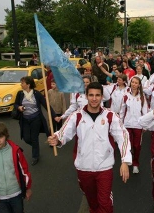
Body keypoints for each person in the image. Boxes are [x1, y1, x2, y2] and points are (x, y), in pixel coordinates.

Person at [47, 82, 132, 213]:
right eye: (91, 95)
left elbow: (123, 137)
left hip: (104, 167)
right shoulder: (77, 115)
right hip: (83, 167)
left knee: (105, 203)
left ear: (102, 97)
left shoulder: (110, 116)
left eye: (97, 95)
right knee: (92, 203)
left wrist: (125, 160)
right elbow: (64, 133)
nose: (94, 98)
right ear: (86, 96)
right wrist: (57, 139)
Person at [0, 122, 32, 213]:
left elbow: (24, 171)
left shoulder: (16, 151)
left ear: (6, 136)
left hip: (16, 194)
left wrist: (27, 188)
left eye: (1, 137)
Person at [14, 76, 56, 166]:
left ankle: (35, 156)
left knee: (34, 137)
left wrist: (54, 116)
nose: (21, 85)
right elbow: (16, 104)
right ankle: (35, 146)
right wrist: (19, 107)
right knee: (26, 138)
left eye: (22, 83)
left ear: (28, 84)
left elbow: (46, 105)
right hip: (25, 119)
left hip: (35, 119)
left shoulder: (36, 94)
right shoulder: (20, 94)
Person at [119, 76, 148, 174]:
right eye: (133, 82)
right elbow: (122, 111)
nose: (134, 84)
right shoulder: (126, 96)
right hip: (127, 124)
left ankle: (136, 164)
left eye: (136, 83)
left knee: (137, 146)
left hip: (138, 125)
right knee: (128, 145)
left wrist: (145, 125)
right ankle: (128, 160)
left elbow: (145, 112)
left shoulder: (142, 97)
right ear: (130, 83)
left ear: (139, 85)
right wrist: (121, 124)